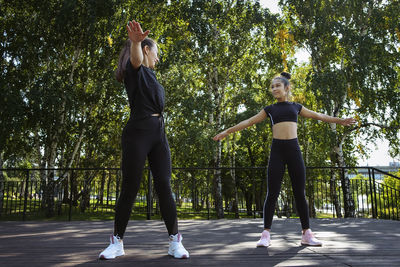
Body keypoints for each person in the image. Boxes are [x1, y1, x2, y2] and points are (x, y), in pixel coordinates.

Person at [213, 72, 356, 247]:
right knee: (272, 193)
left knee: (299, 193)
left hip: (294, 150)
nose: (274, 89)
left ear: (287, 88)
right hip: (277, 152)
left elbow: (319, 115)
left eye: (277, 86)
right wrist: (227, 131)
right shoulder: (270, 109)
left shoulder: (296, 107)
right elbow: (249, 121)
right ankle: (265, 234)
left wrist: (339, 120)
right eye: (272, 87)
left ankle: (306, 233)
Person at [99, 20, 189, 260]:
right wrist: (135, 42)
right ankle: (116, 242)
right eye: (156, 53)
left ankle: (175, 241)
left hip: (159, 134)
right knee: (129, 187)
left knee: (165, 187)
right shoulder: (135, 71)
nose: (158, 59)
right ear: (147, 50)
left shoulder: (152, 77)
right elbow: (136, 60)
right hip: (137, 133)